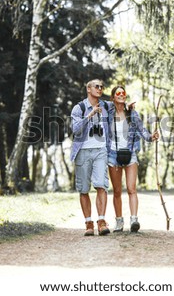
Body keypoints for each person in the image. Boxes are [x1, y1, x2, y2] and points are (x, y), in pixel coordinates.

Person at [108, 86, 159, 233]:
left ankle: (134, 220)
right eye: (118, 93)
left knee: (132, 189)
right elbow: (101, 104)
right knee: (117, 191)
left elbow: (143, 131)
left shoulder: (132, 114)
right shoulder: (108, 114)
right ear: (113, 97)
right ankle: (119, 221)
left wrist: (151, 137)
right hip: (113, 154)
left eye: (123, 93)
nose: (121, 94)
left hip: (130, 154)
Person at [70, 79, 111, 236]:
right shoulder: (79, 108)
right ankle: (88, 223)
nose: (100, 89)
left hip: (101, 150)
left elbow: (121, 108)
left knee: (101, 185)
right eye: (97, 86)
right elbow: (75, 129)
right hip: (83, 151)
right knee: (84, 189)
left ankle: (101, 221)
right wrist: (90, 115)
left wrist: (129, 108)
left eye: (102, 87)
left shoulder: (106, 106)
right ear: (88, 89)